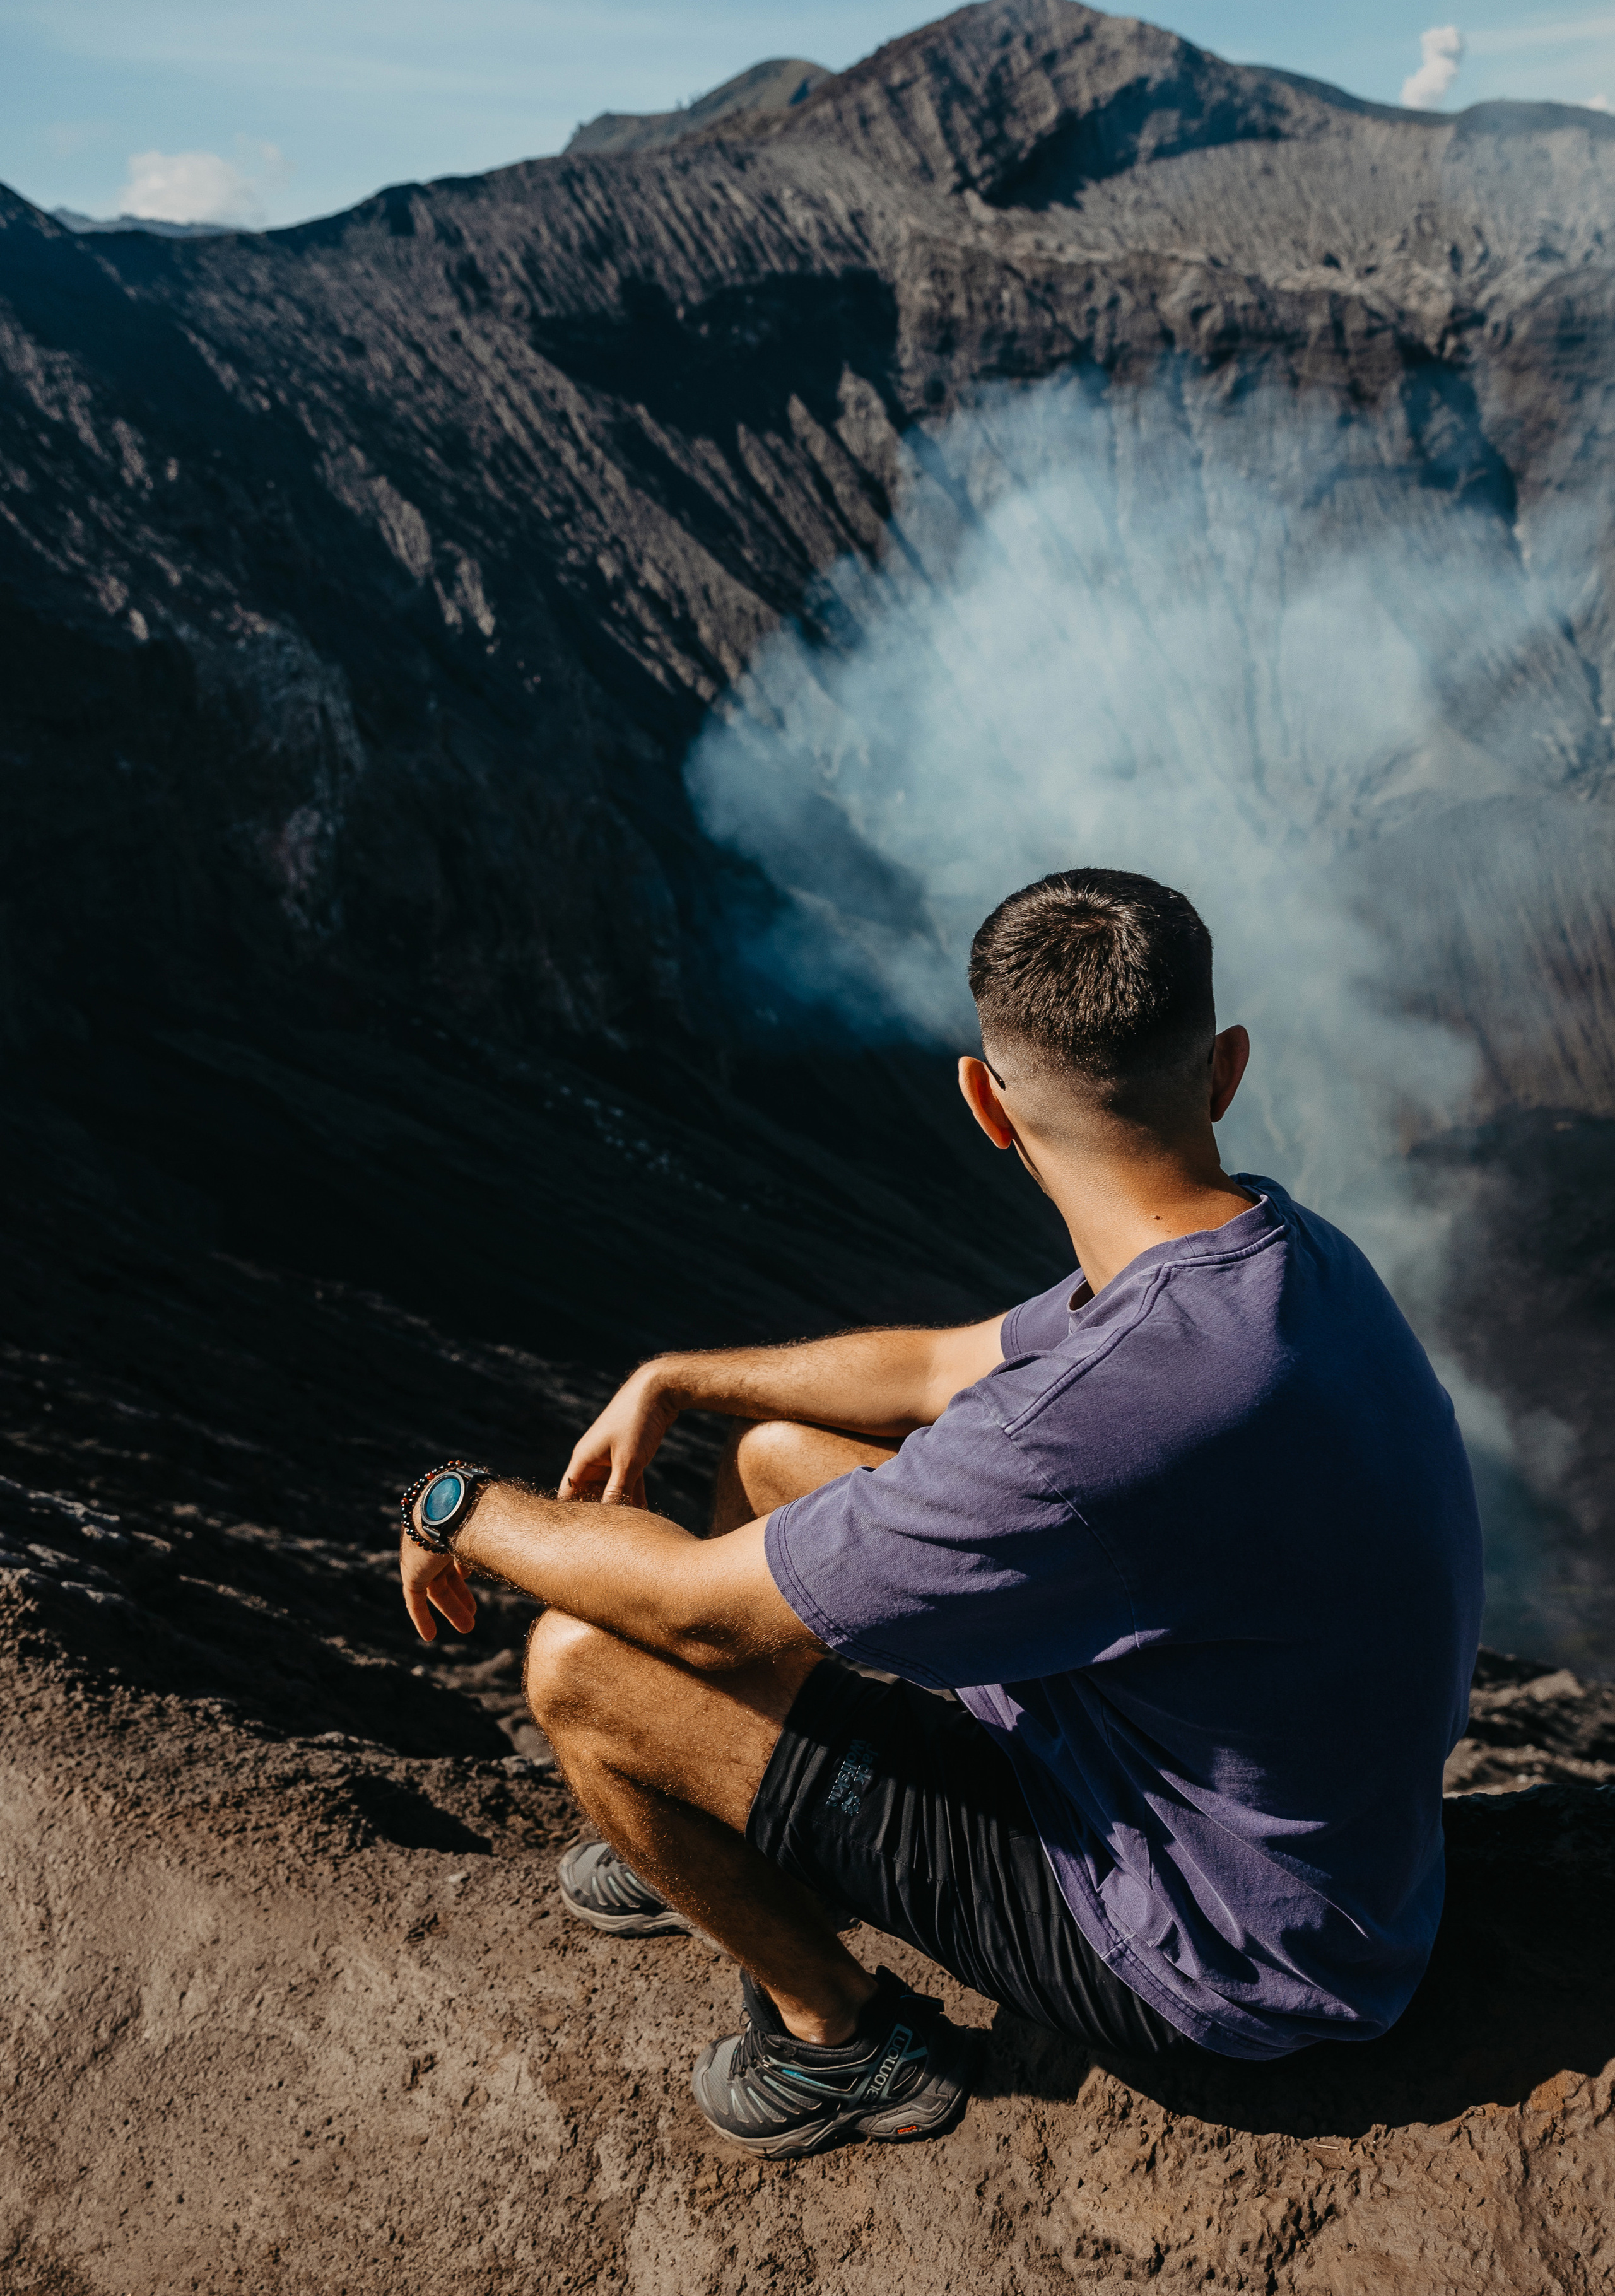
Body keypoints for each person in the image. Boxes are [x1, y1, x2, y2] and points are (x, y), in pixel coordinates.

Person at [396, 867, 1483, 2159]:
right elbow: (934, 1368)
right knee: (774, 1459)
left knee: (580, 1669)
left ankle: (845, 2039)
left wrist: (452, 1506)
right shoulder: (1277, 1255)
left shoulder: (1087, 1421)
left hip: (1217, 1949)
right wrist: (675, 1380)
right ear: (1224, 1068)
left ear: (983, 1101)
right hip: (1300, 1835)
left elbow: (682, 1613)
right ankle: (736, 1820)